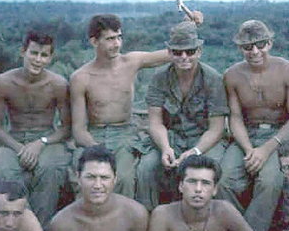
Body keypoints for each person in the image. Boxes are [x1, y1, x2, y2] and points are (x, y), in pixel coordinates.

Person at [70, 12, 201, 198]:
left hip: (125, 133)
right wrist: (97, 149)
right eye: (109, 39)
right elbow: (78, 130)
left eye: (119, 37)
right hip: (94, 135)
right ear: (94, 42)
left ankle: (126, 223)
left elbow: (174, 53)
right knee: (86, 179)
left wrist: (190, 26)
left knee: (124, 178)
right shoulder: (80, 78)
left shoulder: (130, 62)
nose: (116, 44)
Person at [221, 20, 289, 231]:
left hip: (280, 135)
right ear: (240, 48)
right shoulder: (232, 75)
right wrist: (249, 149)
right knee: (223, 180)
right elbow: (235, 117)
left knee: (270, 181)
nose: (255, 52)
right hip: (246, 135)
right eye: (248, 47)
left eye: (261, 44)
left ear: (270, 43)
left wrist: (267, 149)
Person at [0, 30, 72, 227]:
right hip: (14, 139)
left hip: (47, 138)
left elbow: (66, 128)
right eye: (34, 53)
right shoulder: (3, 82)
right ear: (23, 52)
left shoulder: (58, 84)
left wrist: (41, 143)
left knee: (49, 169)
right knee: (4, 171)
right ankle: (18, 229)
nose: (38, 60)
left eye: (44, 55)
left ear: (50, 58)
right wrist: (20, 148)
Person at [136, 20, 229, 210]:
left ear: (199, 51)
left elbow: (216, 128)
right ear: (169, 53)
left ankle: (216, 223)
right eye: (177, 52)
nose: (184, 57)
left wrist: (196, 151)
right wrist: (165, 148)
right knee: (146, 168)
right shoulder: (159, 78)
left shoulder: (213, 79)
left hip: (204, 139)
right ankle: (151, 221)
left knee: (216, 173)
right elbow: (155, 122)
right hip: (171, 137)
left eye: (190, 51)